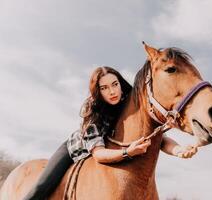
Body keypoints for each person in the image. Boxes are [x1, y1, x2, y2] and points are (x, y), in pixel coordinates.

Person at [23, 66, 197, 200]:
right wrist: (128, 152)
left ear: (120, 84)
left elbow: (157, 139)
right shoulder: (92, 109)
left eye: (115, 84)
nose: (112, 91)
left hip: (112, 146)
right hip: (78, 149)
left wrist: (179, 150)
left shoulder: (131, 104)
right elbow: (98, 153)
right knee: (41, 186)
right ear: (98, 91)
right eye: (104, 88)